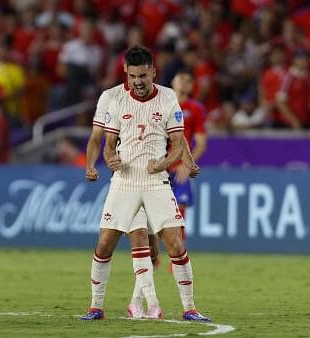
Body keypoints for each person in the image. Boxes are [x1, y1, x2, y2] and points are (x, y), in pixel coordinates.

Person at [81, 46, 210, 322]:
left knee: (175, 244)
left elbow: (177, 142)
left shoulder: (167, 98)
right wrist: (108, 159)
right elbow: (107, 145)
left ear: (153, 71)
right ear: (126, 74)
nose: (138, 82)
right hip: (124, 182)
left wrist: (167, 164)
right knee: (104, 243)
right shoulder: (115, 100)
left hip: (156, 182)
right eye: (132, 76)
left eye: (143, 75)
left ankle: (190, 308)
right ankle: (95, 307)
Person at [170, 69, 207, 223]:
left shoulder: (196, 109)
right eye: (181, 78)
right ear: (172, 83)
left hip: (180, 168)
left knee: (179, 210)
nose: (185, 82)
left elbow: (201, 144)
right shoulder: (161, 105)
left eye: (189, 80)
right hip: (159, 167)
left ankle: (178, 248)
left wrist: (187, 165)